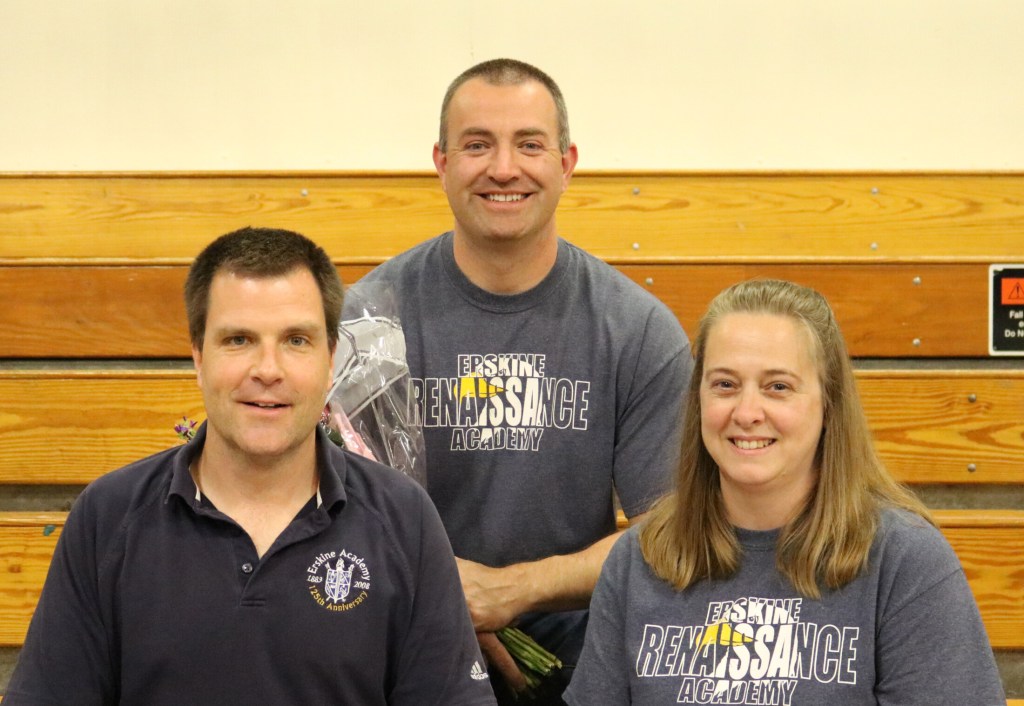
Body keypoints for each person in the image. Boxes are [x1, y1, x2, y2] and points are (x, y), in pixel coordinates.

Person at [5, 227, 497, 706]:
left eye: (296, 340)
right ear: (198, 357)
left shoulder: (405, 519)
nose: (267, 369)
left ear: (331, 359)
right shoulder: (107, 517)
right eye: (238, 340)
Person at [351, 59, 693, 703]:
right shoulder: (367, 320)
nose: (503, 168)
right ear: (441, 162)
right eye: (477, 144)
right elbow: (337, 512)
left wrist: (513, 592)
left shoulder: (637, 328)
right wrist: (441, 598)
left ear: (566, 163)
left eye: (529, 145)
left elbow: (673, 527)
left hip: (579, 660)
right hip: (402, 648)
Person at [564, 278, 1006, 705]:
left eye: (778, 387)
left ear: (829, 403)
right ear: (697, 399)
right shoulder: (638, 560)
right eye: (725, 385)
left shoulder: (904, 561)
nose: (747, 412)